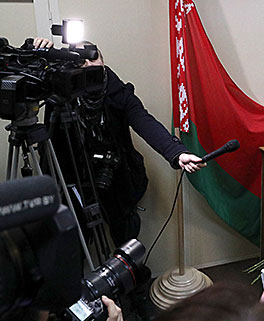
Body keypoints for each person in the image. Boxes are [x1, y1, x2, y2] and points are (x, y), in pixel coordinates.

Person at [36, 39, 203, 245]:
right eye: (80, 60)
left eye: (92, 56)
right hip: (74, 182)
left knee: (126, 239)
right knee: (74, 243)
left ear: (103, 60)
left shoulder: (118, 92)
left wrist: (177, 153)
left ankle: (132, 273)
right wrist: (40, 55)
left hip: (115, 177)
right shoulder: (61, 95)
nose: (88, 64)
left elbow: (144, 121)